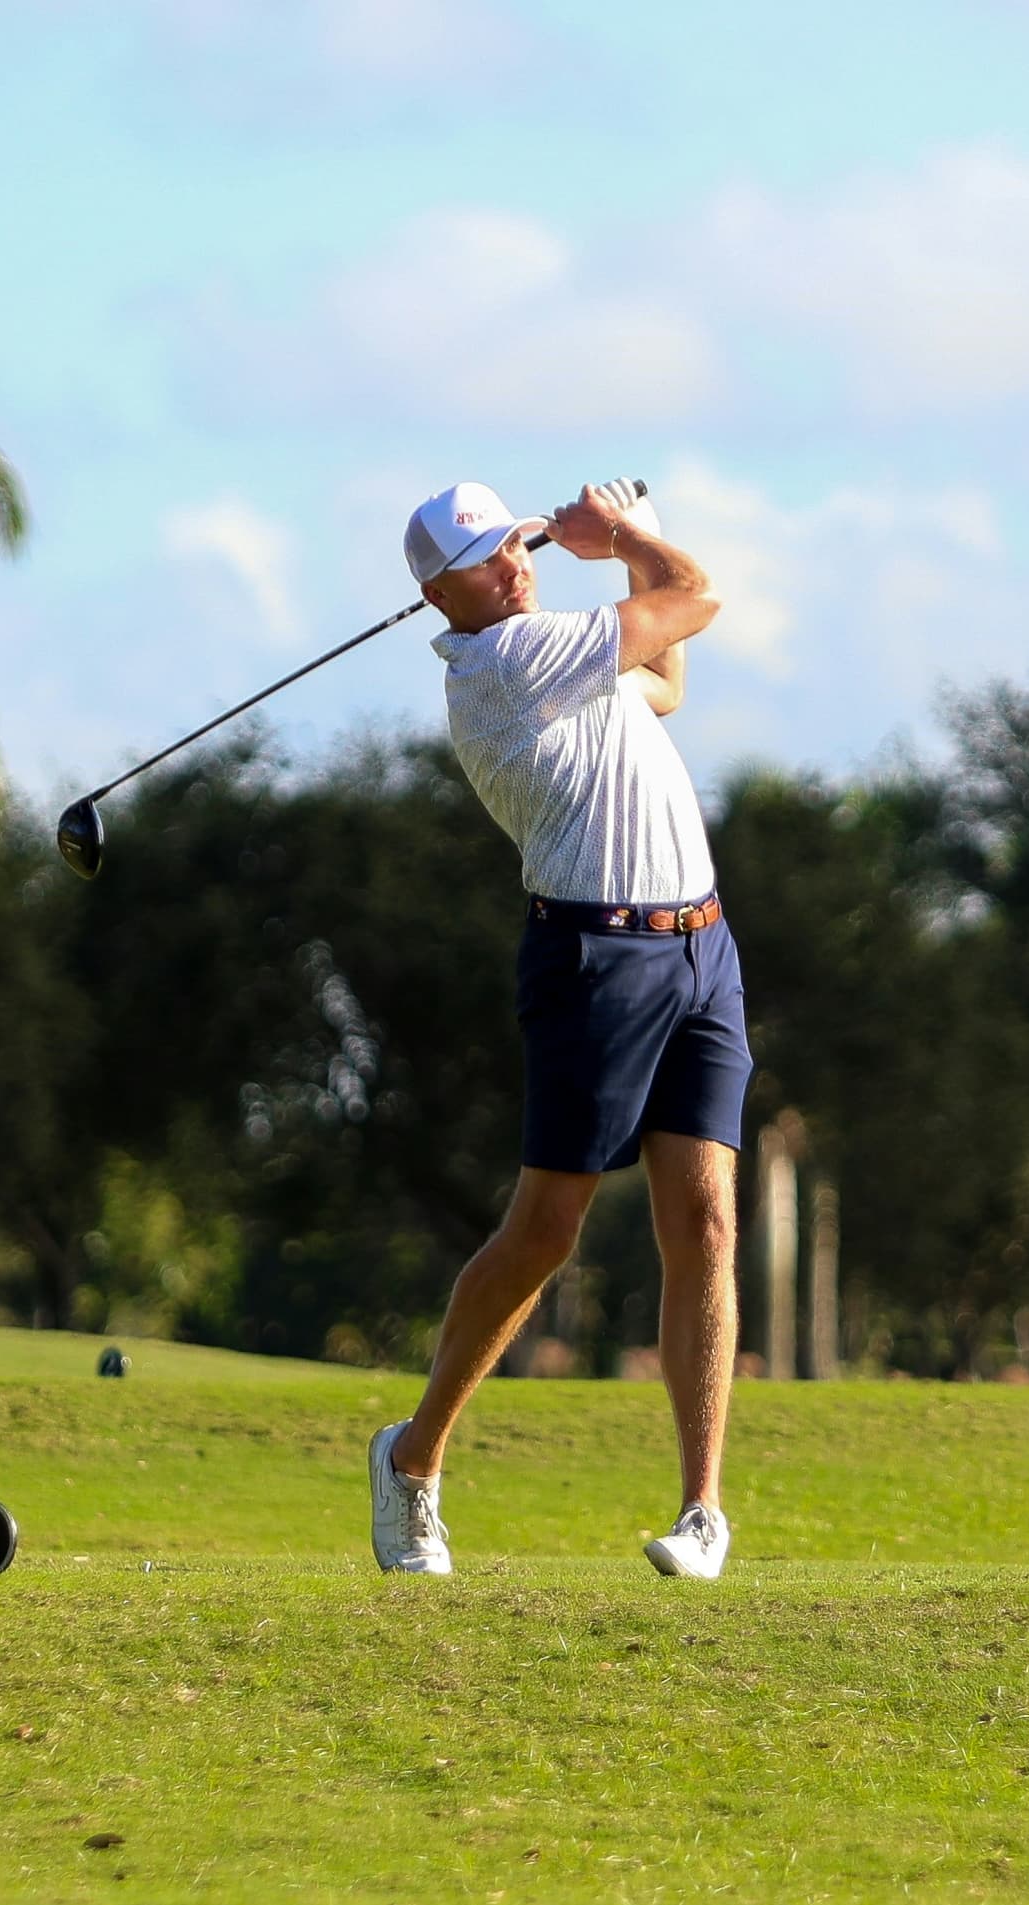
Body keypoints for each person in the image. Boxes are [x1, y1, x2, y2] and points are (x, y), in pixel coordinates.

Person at [366, 477, 740, 1579]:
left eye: (513, 545)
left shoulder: (566, 649)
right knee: (545, 1231)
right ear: (441, 593)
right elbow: (696, 598)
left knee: (707, 1221)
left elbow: (663, 672)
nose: (512, 567)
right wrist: (627, 539)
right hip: (596, 959)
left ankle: (702, 1510)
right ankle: (413, 1459)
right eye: (486, 561)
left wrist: (628, 553)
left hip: (700, 947)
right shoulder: (505, 667)